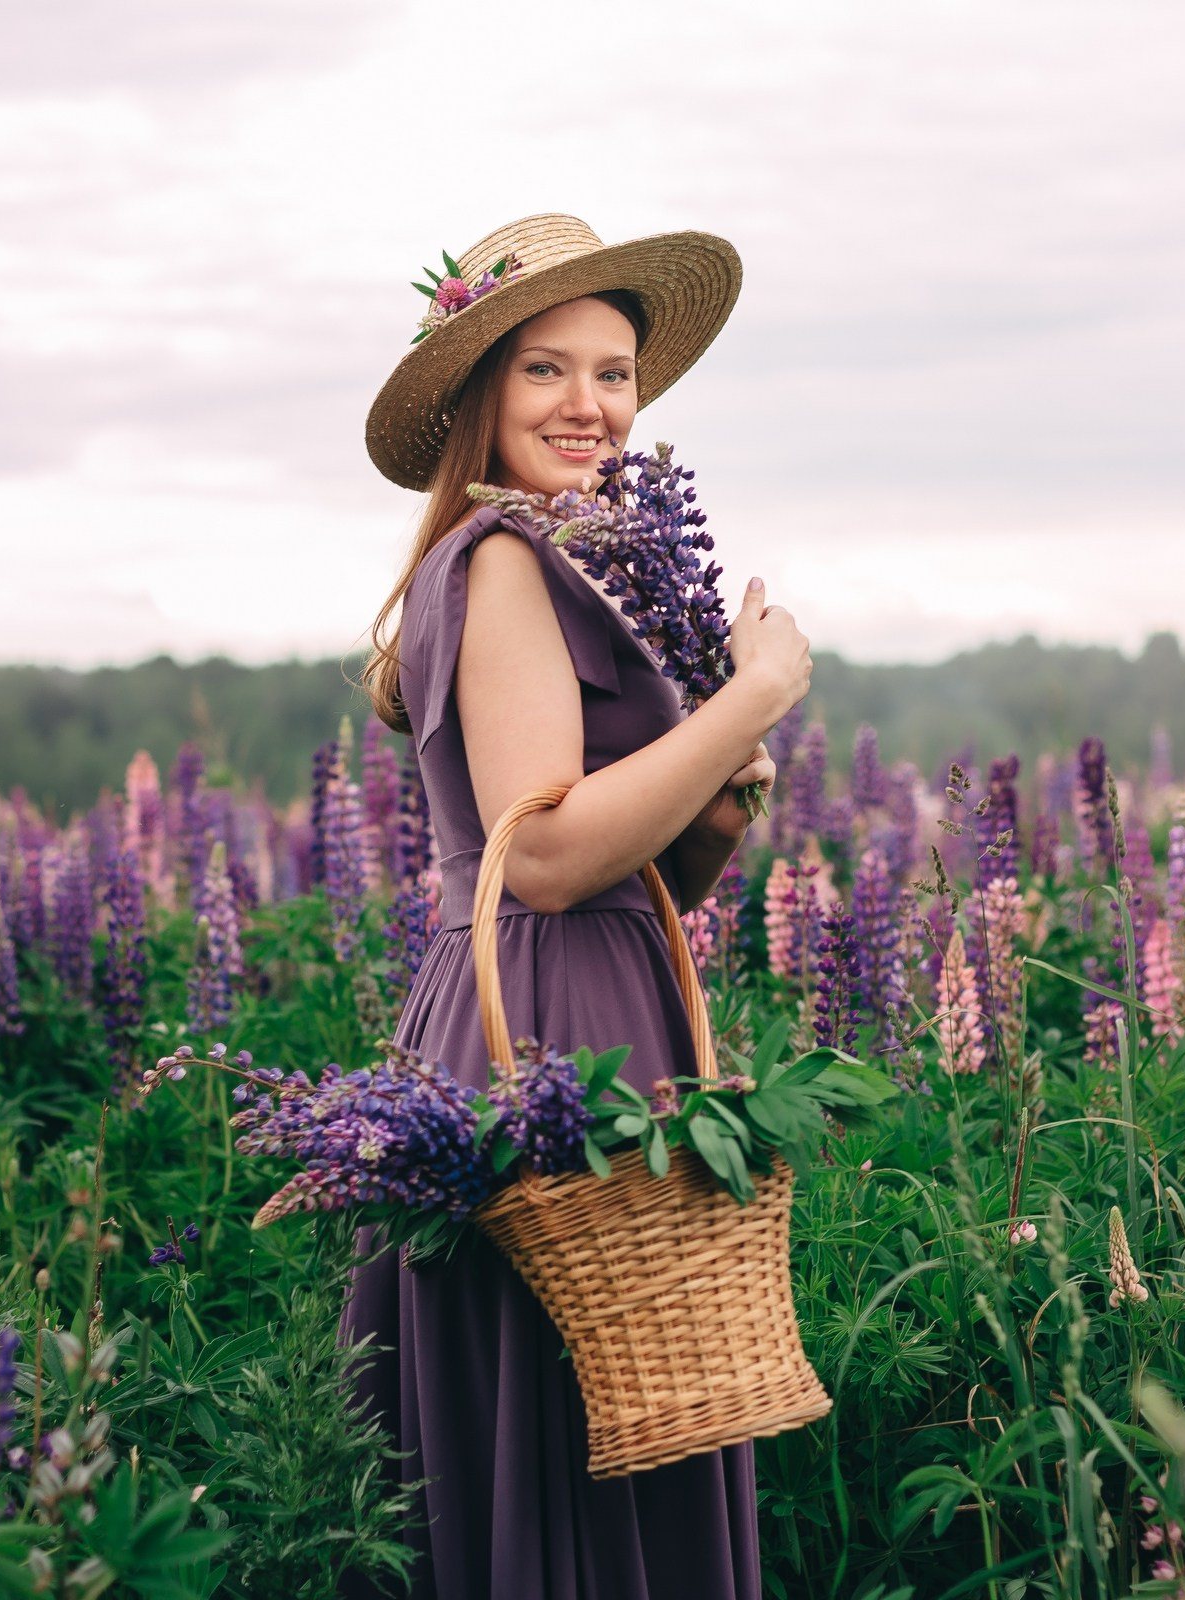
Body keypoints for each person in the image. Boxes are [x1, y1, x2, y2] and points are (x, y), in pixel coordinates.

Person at [342, 214, 813, 1598]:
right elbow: (540, 857)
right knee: (576, 1425)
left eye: (614, 374)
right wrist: (755, 696)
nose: (590, 406)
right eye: (547, 370)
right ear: (480, 396)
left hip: (608, 997)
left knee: (630, 1403)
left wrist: (717, 803)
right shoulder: (500, 560)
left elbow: (634, 878)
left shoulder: (573, 560)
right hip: (543, 1023)